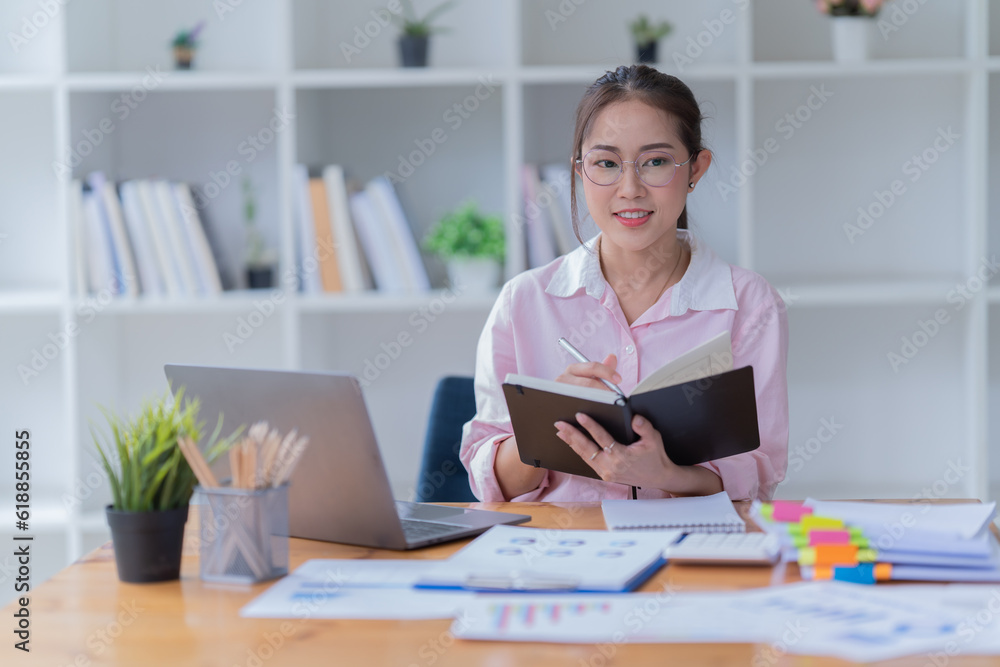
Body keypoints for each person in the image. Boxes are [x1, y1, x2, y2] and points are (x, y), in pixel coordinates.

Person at [459, 64, 788, 503]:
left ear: (696, 167)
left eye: (655, 162)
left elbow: (759, 474)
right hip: (559, 556)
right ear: (580, 170)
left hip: (687, 553)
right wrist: (551, 427)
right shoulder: (524, 301)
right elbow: (487, 483)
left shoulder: (748, 303)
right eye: (607, 163)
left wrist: (667, 474)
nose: (629, 188)